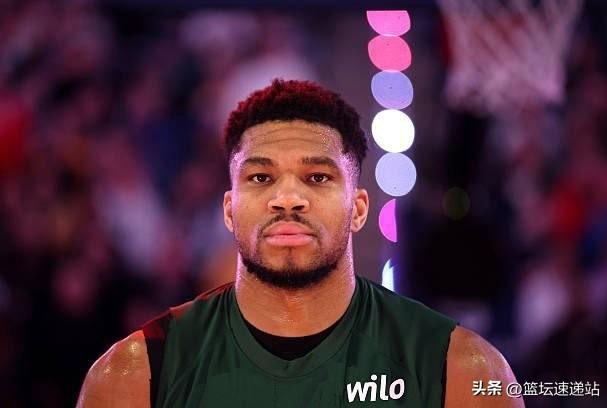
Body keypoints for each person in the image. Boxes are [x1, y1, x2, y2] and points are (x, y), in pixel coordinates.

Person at [77, 79, 524, 407]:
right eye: (261, 177)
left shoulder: (459, 369)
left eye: (317, 177)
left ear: (359, 208)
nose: (288, 197)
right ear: (229, 209)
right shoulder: (134, 374)